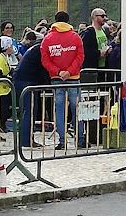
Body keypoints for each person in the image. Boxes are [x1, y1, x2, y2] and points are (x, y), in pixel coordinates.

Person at [40, 10, 86, 150]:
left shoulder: (47, 38)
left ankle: (62, 140)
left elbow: (45, 60)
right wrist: (69, 72)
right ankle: (80, 139)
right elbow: (80, 57)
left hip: (56, 79)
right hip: (73, 78)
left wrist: (58, 72)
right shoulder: (75, 37)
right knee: (77, 108)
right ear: (68, 20)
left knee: (59, 110)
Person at [13, 31, 49, 147]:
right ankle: (26, 140)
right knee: (29, 111)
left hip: (22, 80)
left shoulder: (36, 49)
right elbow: (43, 69)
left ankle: (26, 139)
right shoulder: (40, 50)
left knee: (28, 111)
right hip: (26, 82)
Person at [0, 36, 15, 141]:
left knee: (7, 110)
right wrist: (9, 77)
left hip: (4, 88)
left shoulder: (5, 57)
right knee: (3, 112)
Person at [80, 8, 112, 77]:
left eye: (105, 16)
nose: (105, 18)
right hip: (92, 69)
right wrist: (98, 53)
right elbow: (85, 50)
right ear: (94, 17)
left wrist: (108, 50)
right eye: (102, 16)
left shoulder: (104, 30)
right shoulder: (88, 32)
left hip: (103, 67)